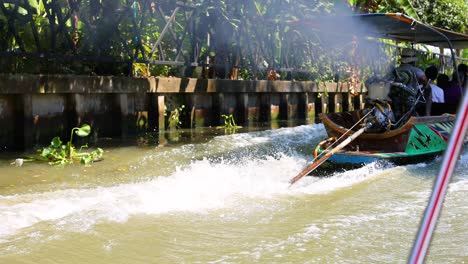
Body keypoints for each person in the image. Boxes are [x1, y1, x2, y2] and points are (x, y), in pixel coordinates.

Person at [387, 48, 429, 122]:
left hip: (395, 97)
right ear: (413, 60)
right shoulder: (415, 70)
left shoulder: (397, 69)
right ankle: (427, 115)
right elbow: (424, 79)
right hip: (410, 98)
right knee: (411, 114)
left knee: (397, 114)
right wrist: (424, 84)